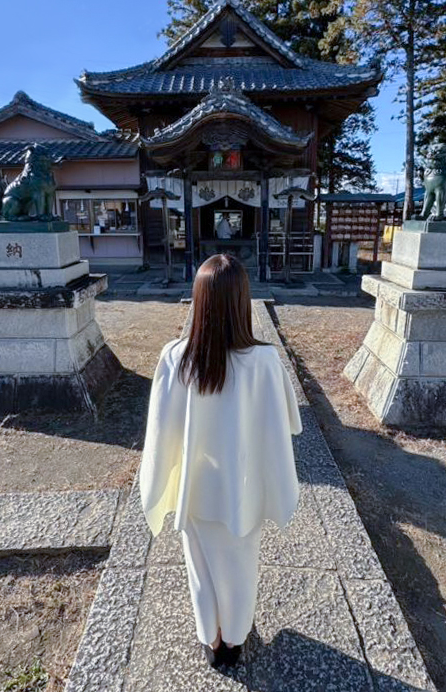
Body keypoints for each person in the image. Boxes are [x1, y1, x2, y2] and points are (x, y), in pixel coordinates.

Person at [139, 253, 303, 670]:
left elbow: (161, 431)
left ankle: (209, 639)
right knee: (240, 568)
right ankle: (234, 641)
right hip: (242, 490)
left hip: (195, 490)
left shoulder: (176, 357)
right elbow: (287, 424)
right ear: (242, 302)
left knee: (201, 568)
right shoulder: (264, 361)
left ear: (199, 301)